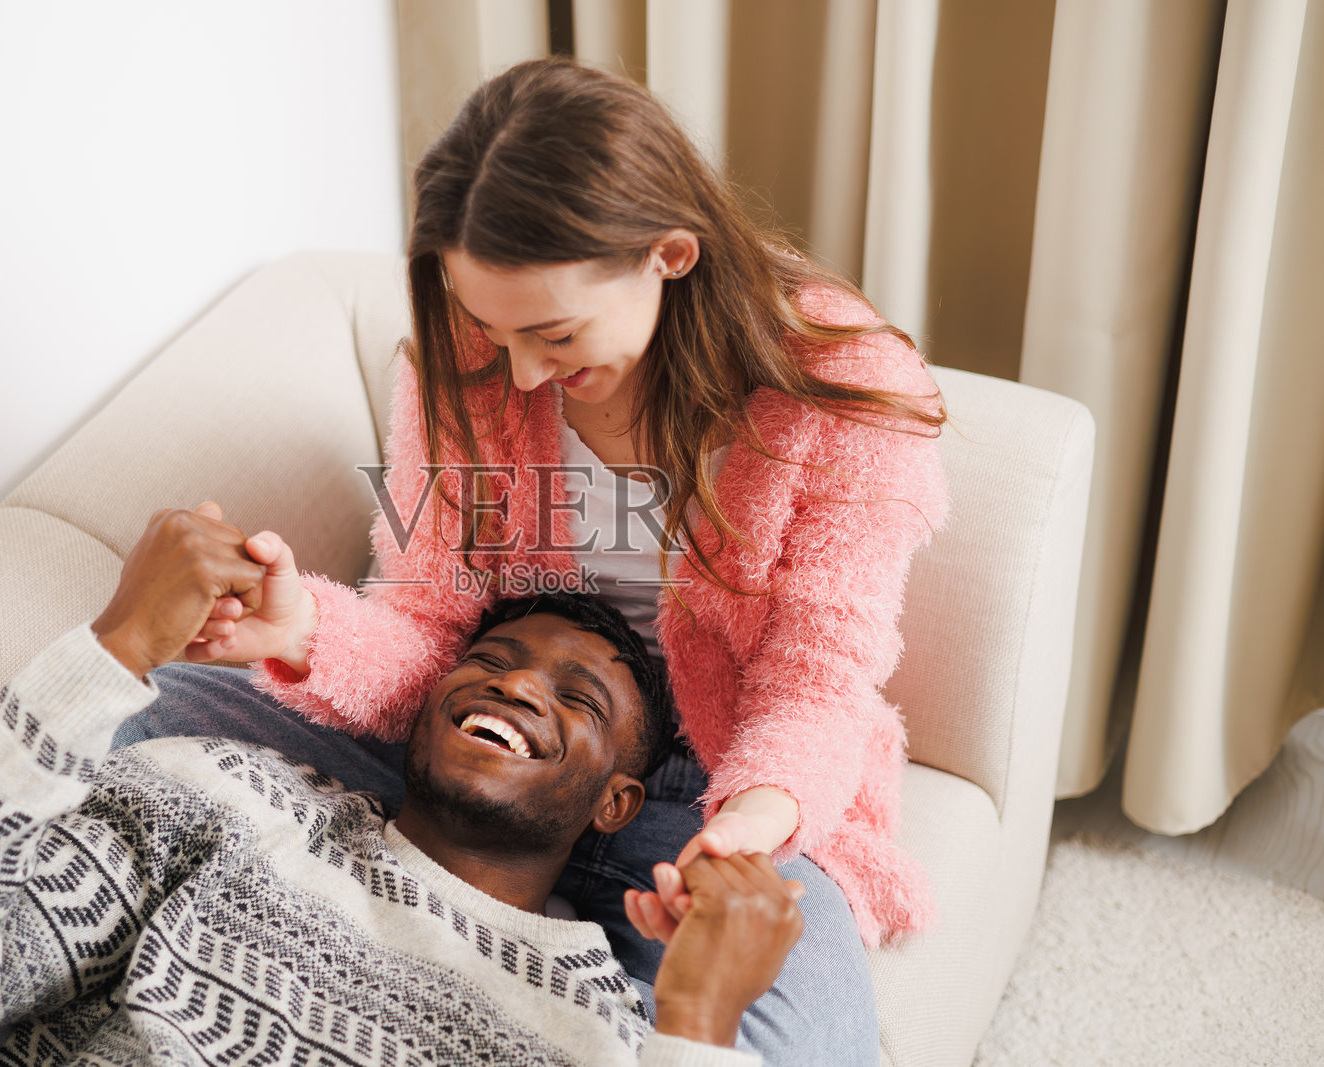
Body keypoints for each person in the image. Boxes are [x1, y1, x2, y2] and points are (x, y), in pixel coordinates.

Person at [120, 57, 949, 1062]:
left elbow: (815, 683)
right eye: (493, 328)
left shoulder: (838, 387)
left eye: (554, 335)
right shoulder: (464, 357)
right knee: (150, 703)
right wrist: (300, 628)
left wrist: (747, 829)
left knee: (789, 1031)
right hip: (500, 709)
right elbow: (430, 617)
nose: (519, 372)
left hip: (718, 777)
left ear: (670, 255)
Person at [0, 505, 807, 1066]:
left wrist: (702, 1026)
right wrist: (109, 657)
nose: (514, 682)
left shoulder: (607, 1023)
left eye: (577, 697)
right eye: (493, 655)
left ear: (615, 804)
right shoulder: (221, 795)